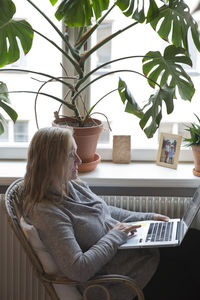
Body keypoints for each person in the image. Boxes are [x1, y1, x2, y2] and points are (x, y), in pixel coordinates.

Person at [21, 127, 200, 300]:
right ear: (51, 162)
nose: (78, 160)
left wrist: (147, 217)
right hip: (123, 283)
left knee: (192, 239)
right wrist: (116, 235)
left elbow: (104, 211)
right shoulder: (46, 212)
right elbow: (78, 269)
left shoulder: (70, 185)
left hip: (136, 261)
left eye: (76, 152)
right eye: (70, 155)